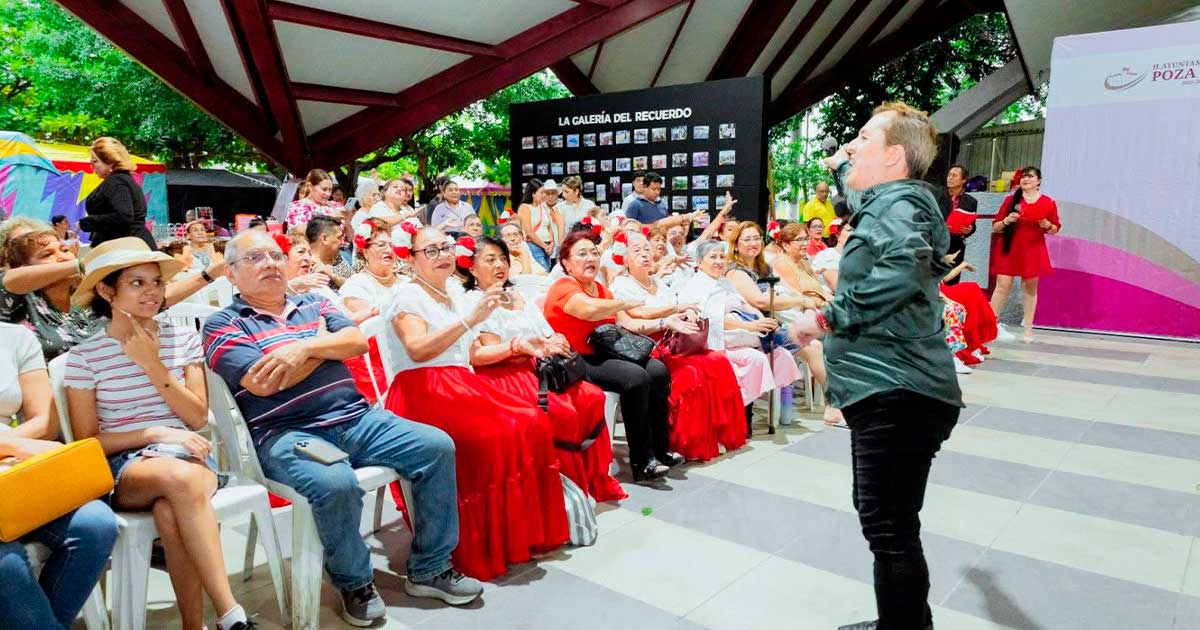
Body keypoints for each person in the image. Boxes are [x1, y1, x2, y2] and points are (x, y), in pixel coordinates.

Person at [205, 231, 482, 624]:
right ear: (231, 274)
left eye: (274, 255)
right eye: (254, 258)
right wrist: (323, 344)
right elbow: (263, 383)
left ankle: (431, 568)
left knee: (435, 445)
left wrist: (304, 348)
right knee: (335, 484)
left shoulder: (313, 301)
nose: (269, 263)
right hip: (288, 434)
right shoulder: (223, 323)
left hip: (357, 418)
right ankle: (354, 581)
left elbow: (355, 342)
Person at [793, 101, 963, 630]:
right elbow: (854, 189)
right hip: (893, 387)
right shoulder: (888, 200)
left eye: (863, 139)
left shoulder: (900, 206)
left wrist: (828, 318)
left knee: (889, 528)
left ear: (892, 157)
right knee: (887, 522)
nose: (851, 147)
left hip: (898, 388)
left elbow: (905, 268)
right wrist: (844, 161)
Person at [65, 238, 258, 630]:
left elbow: (196, 416)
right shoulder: (85, 357)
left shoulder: (183, 337)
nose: (152, 292)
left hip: (187, 455)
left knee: (172, 510)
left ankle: (196, 625)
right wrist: (153, 432)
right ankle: (230, 614)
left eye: (155, 282)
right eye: (136, 283)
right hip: (127, 467)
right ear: (106, 290)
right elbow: (88, 442)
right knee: (178, 479)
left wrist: (152, 365)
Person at [380, 226, 568, 580]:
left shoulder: (451, 291)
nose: (442, 256)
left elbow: (470, 352)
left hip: (458, 381)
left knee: (530, 420)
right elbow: (418, 350)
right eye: (430, 251)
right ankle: (475, 543)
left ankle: (517, 536)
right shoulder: (407, 296)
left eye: (446, 248)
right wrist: (470, 319)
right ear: (411, 259)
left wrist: (519, 345)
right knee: (493, 433)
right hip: (421, 389)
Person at [459, 236, 625, 501]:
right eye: (490, 260)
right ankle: (564, 494)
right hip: (503, 375)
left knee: (592, 397)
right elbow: (482, 354)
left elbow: (547, 333)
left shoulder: (517, 294)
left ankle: (593, 479)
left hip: (539, 367)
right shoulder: (472, 302)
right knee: (563, 412)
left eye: (503, 258)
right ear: (471, 267)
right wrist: (520, 347)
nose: (500, 265)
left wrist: (555, 340)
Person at [544, 229, 692, 482]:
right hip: (575, 358)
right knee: (635, 378)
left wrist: (667, 321)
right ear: (566, 263)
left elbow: (627, 324)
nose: (590, 258)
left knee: (657, 370)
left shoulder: (601, 289)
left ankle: (660, 448)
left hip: (605, 351)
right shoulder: (563, 287)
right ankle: (642, 461)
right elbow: (589, 311)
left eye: (593, 252)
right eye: (582, 254)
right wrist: (626, 303)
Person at [0, 322, 119, 630]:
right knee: (6, 562)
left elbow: (43, 421)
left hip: (15, 469)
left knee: (95, 523)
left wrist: (8, 443)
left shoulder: (15, 337)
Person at [610, 232, 745, 462]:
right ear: (625, 259)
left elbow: (676, 305)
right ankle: (687, 442)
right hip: (645, 346)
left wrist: (687, 311)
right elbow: (638, 314)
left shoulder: (658, 282)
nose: (644, 254)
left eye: (646, 249)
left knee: (717, 361)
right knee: (692, 374)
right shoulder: (621, 285)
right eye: (637, 251)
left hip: (671, 342)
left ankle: (715, 435)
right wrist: (675, 310)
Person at [0, 228, 222, 360]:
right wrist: (88, 263)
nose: (61, 256)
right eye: (47, 254)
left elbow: (152, 298)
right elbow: (9, 280)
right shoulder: (19, 300)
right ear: (25, 267)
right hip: (52, 408)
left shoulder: (86, 297)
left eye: (64, 249)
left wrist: (208, 275)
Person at [675, 240, 802, 434]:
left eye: (721, 257)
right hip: (717, 340)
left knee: (781, 354)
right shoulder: (695, 285)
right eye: (713, 257)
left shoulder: (724, 282)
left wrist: (762, 320)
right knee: (755, 359)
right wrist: (750, 325)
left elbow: (746, 306)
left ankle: (751, 413)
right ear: (699, 262)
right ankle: (740, 416)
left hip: (744, 334)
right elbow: (713, 319)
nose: (719, 261)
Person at [988, 166, 1061, 343]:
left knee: (1029, 288)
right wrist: (1006, 220)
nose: (1025, 179)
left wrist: (1046, 225)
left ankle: (1028, 328)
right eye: (1023, 177)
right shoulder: (1011, 200)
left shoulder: (1048, 203)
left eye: (1030, 176)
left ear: (1039, 181)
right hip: (1009, 247)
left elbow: (1055, 228)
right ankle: (988, 324)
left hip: (1033, 250)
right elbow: (995, 226)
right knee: (1002, 286)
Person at [341, 221, 408, 402]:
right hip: (382, 356)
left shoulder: (407, 281)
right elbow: (374, 328)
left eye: (391, 244)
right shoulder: (356, 284)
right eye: (381, 245)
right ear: (364, 250)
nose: (389, 250)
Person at [79, 137, 156, 249]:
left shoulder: (116, 181)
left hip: (126, 248)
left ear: (110, 161)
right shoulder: (123, 179)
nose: (92, 166)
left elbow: (123, 216)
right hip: (129, 244)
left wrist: (86, 222)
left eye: (95, 161)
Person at [943, 164, 978, 282]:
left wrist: (970, 229)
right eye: (949, 175)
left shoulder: (971, 201)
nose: (950, 178)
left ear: (963, 180)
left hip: (956, 245)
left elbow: (972, 225)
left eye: (954, 175)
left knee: (952, 281)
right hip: (937, 243)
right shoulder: (938, 196)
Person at [516, 178, 558, 272]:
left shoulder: (543, 207)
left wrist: (552, 243)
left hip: (547, 248)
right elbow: (529, 232)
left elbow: (549, 227)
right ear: (533, 194)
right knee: (542, 273)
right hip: (534, 246)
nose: (544, 196)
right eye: (541, 193)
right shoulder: (525, 207)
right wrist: (545, 246)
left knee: (547, 273)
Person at [305, 215, 352, 289]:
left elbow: (356, 287)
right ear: (324, 238)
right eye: (339, 237)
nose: (342, 242)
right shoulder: (305, 264)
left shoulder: (337, 259)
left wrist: (334, 276)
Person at [812, 220, 852, 292]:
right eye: (849, 230)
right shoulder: (823, 256)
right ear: (838, 235)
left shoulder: (864, 259)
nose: (853, 234)